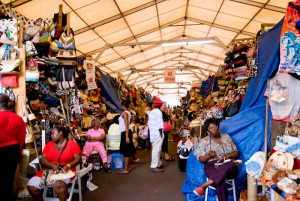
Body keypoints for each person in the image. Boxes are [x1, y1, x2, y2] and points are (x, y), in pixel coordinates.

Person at [27, 126, 81, 201]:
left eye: (53, 133)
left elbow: (78, 159)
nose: (51, 135)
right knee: (31, 186)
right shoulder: (49, 145)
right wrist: (52, 166)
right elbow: (42, 159)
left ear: (60, 133)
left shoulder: (72, 144)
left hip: (67, 170)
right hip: (48, 170)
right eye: (51, 134)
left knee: (59, 184)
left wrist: (68, 166)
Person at [193, 118, 239, 201]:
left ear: (218, 127)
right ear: (207, 130)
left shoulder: (226, 137)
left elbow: (236, 153)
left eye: (215, 126)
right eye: (210, 128)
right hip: (212, 166)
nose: (213, 129)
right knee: (220, 181)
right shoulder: (204, 141)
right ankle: (209, 183)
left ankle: (205, 185)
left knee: (231, 164)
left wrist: (228, 155)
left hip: (228, 166)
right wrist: (208, 155)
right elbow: (201, 159)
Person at [0, 94, 26, 201]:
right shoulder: (18, 118)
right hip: (13, 150)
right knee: (9, 178)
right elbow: (21, 138)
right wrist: (19, 150)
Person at [118, 100, 136, 174]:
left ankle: (126, 168)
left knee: (126, 151)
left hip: (125, 133)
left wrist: (126, 137)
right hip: (126, 132)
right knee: (127, 150)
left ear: (123, 106)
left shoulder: (125, 113)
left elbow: (127, 125)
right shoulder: (128, 112)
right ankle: (128, 167)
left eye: (121, 105)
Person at [148, 97, 164, 172]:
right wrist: (161, 135)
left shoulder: (151, 112)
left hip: (152, 133)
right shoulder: (159, 112)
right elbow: (160, 125)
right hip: (157, 134)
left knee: (155, 149)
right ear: (160, 105)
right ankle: (154, 165)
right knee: (156, 150)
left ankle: (158, 163)